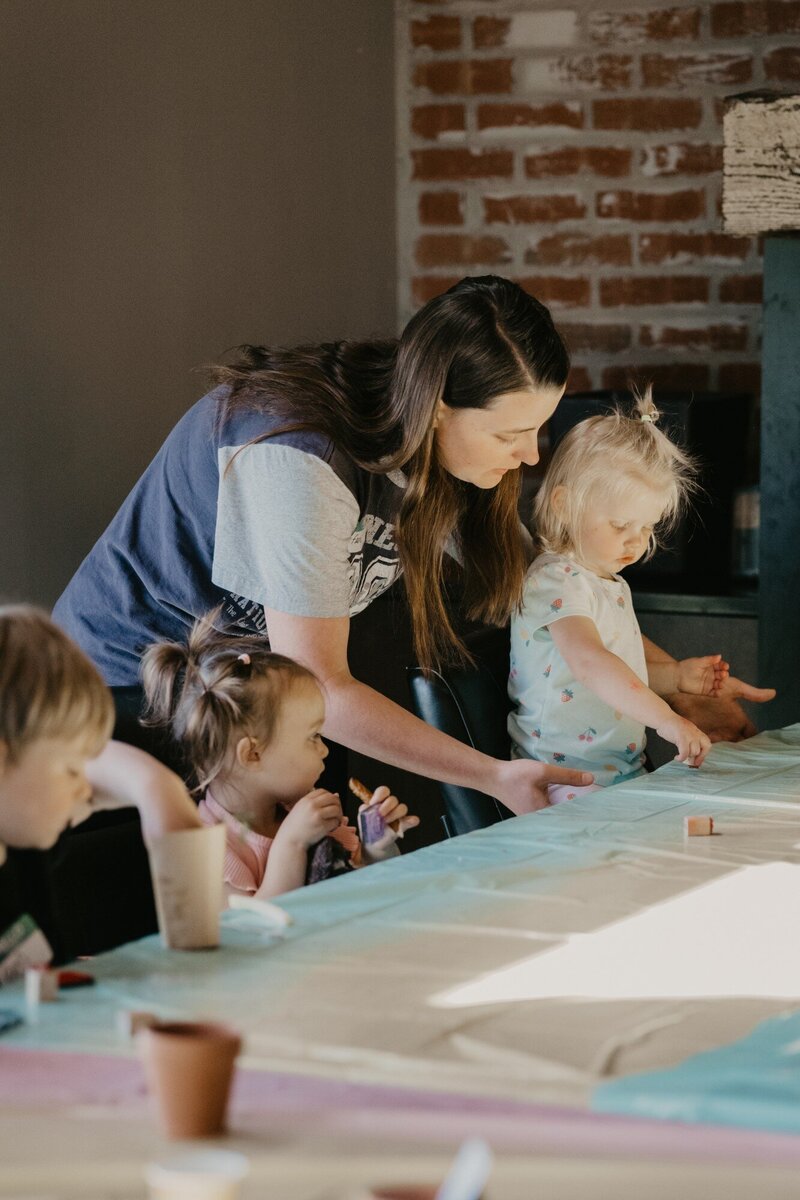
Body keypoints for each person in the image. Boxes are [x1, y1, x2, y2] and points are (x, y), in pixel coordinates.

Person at [53, 275, 764, 820]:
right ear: (437, 407)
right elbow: (322, 686)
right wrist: (493, 776)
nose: (530, 456)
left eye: (539, 429)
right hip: (122, 701)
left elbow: (557, 595)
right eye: (510, 433)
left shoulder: (444, 453)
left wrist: (675, 687)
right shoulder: (297, 453)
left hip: (242, 706)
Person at [508, 390, 775, 802]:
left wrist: (678, 678)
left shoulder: (607, 582)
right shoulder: (556, 580)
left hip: (616, 772)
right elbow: (591, 664)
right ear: (563, 505)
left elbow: (623, 669)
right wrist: (666, 719)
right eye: (620, 525)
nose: (636, 542)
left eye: (647, 527)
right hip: (563, 777)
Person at [140, 615, 418, 898]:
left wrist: (375, 849)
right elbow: (252, 924)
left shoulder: (302, 809)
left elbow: (358, 892)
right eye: (313, 736)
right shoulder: (204, 846)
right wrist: (292, 844)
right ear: (253, 753)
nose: (324, 750)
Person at [0, 605, 202, 974]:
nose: (85, 790)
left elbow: (144, 780)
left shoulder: (24, 838)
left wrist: (161, 792)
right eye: (72, 770)